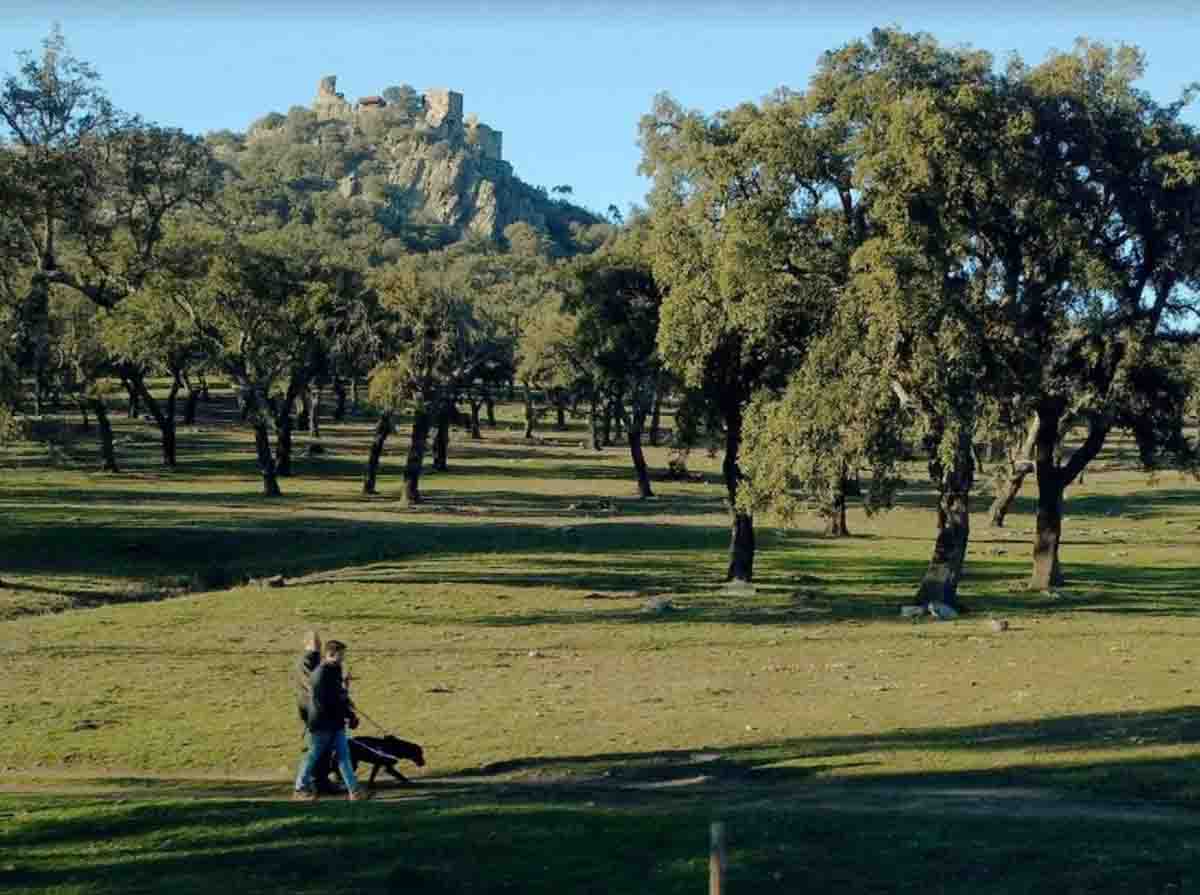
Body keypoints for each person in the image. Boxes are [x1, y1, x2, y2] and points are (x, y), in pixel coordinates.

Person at [294, 639, 371, 801]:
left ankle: (354, 791)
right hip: (322, 723)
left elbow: (339, 696)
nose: (343, 658)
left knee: (344, 756)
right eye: (341, 655)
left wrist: (348, 707)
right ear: (330, 654)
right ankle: (300, 789)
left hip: (336, 722)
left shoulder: (335, 670)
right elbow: (329, 702)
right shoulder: (320, 675)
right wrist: (348, 713)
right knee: (312, 756)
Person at [294, 631, 340, 795]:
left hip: (320, 709)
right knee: (316, 747)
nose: (318, 645)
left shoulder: (316, 660)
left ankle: (321, 781)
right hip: (313, 710)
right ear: (306, 643)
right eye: (315, 643)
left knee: (324, 746)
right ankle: (307, 783)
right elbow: (313, 685)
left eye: (319, 643)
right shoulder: (307, 660)